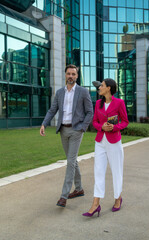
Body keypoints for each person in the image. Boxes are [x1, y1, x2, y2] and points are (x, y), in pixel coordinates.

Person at [40, 64, 93, 207]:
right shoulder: (59, 93)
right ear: (65, 75)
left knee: (70, 162)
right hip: (63, 130)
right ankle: (79, 188)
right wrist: (44, 123)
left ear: (77, 76)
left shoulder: (83, 92)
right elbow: (52, 110)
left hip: (76, 130)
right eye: (69, 74)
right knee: (72, 161)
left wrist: (83, 127)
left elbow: (90, 112)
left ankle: (63, 196)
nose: (71, 76)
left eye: (73, 74)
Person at [82, 78, 129, 217]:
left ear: (109, 88)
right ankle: (96, 204)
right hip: (100, 142)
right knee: (98, 172)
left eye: (101, 86)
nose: (99, 88)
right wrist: (101, 126)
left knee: (116, 171)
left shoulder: (119, 103)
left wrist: (115, 127)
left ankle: (117, 198)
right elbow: (95, 121)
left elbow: (125, 121)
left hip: (114, 141)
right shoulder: (97, 103)